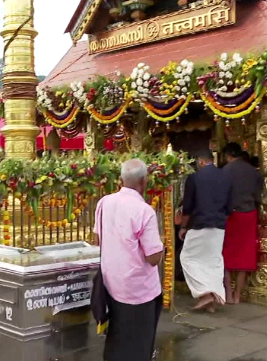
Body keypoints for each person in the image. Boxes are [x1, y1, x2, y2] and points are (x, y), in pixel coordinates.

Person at [93, 159, 164, 361]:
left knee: (116, 337)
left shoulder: (104, 202)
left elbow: (97, 239)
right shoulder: (144, 211)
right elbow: (152, 258)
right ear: (144, 181)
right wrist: (161, 249)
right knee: (138, 343)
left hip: (111, 282)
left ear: (121, 180)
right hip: (137, 290)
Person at [179, 149, 232, 312]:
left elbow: (187, 206)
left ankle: (205, 293)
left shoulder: (195, 178)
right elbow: (230, 205)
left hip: (199, 223)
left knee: (187, 257)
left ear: (201, 161)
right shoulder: (226, 177)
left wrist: (183, 226)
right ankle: (210, 300)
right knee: (213, 260)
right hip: (219, 224)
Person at [222, 142, 263, 304]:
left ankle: (229, 294)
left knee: (226, 255)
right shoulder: (253, 171)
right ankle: (238, 295)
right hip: (249, 214)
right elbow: (259, 196)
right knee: (245, 256)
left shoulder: (225, 171)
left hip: (231, 216)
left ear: (229, 155)